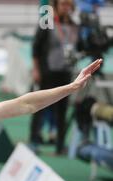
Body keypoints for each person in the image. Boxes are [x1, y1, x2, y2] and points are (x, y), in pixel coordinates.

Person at [30, 0, 80, 155]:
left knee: (62, 110)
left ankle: (60, 144)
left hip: (65, 72)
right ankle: (34, 141)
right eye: (63, 4)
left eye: (68, 5)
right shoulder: (46, 23)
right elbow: (36, 48)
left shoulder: (74, 25)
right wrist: (36, 70)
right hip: (47, 72)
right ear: (56, 6)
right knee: (39, 107)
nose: (66, 8)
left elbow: (78, 46)